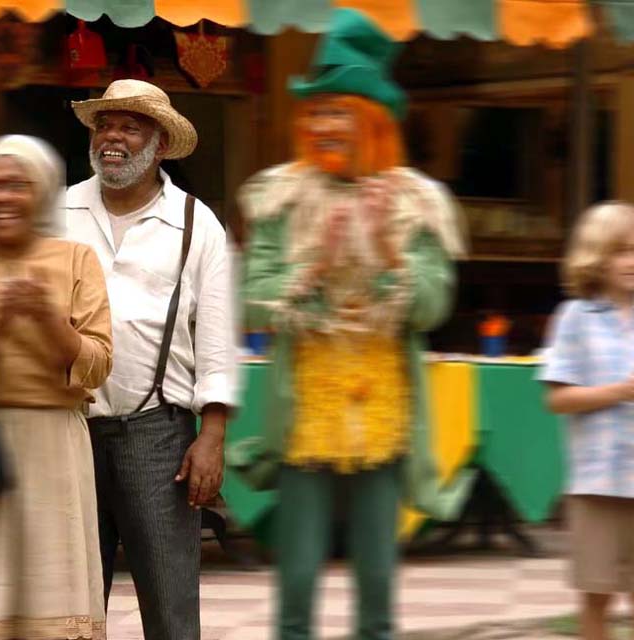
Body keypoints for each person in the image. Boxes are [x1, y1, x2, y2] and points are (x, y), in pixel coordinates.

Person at [229, 9, 473, 640]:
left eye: (339, 112)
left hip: (385, 414)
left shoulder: (415, 202)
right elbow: (252, 301)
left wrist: (393, 260)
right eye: (317, 112)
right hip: (306, 412)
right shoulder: (281, 198)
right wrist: (306, 277)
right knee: (298, 581)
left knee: (378, 585)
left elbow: (434, 306)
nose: (324, 126)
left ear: (374, 122)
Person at [64, 79, 238, 640]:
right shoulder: (59, 211)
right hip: (69, 430)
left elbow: (215, 336)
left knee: (169, 605)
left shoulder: (196, 222)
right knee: (73, 607)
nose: (113, 136)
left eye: (130, 126)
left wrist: (211, 438)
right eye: (105, 124)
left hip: (157, 437)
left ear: (159, 144)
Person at [0, 135, 113, 640]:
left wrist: (47, 318)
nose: (1, 197)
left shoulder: (75, 259)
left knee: (51, 592)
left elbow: (100, 363)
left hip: (54, 449)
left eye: (16, 185)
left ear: (42, 193)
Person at [540, 202, 634, 640]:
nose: (632, 261)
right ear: (596, 257)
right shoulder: (575, 318)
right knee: (597, 597)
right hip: (598, 483)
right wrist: (620, 391)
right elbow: (557, 399)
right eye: (621, 251)